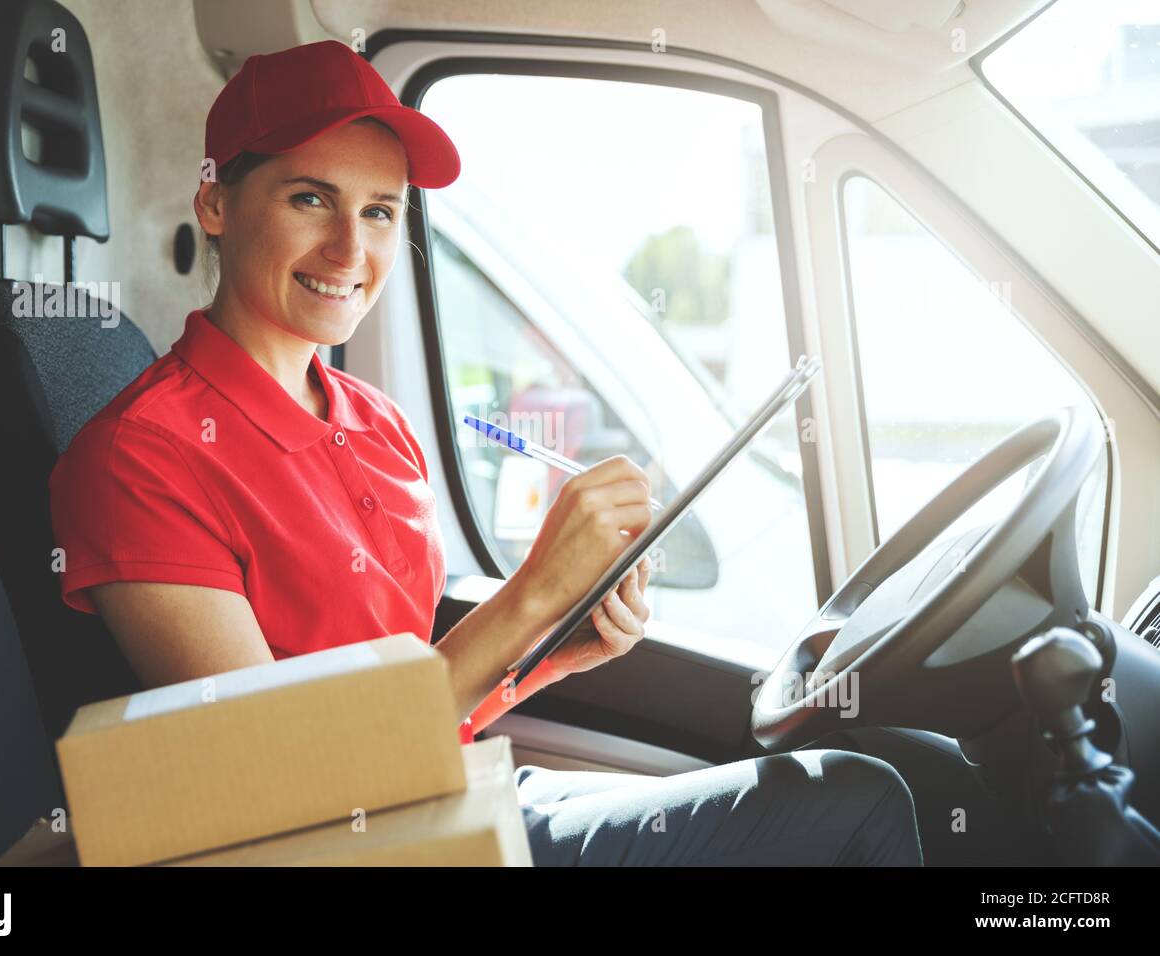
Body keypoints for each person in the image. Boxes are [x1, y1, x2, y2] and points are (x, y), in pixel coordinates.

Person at [49, 39, 923, 866]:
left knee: (868, 777)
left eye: (381, 211)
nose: (352, 250)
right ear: (216, 204)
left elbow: (419, 694)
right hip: (344, 846)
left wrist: (552, 642)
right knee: (856, 802)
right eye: (309, 198)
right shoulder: (141, 456)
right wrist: (530, 591)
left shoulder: (379, 423)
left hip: (448, 794)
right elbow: (273, 774)